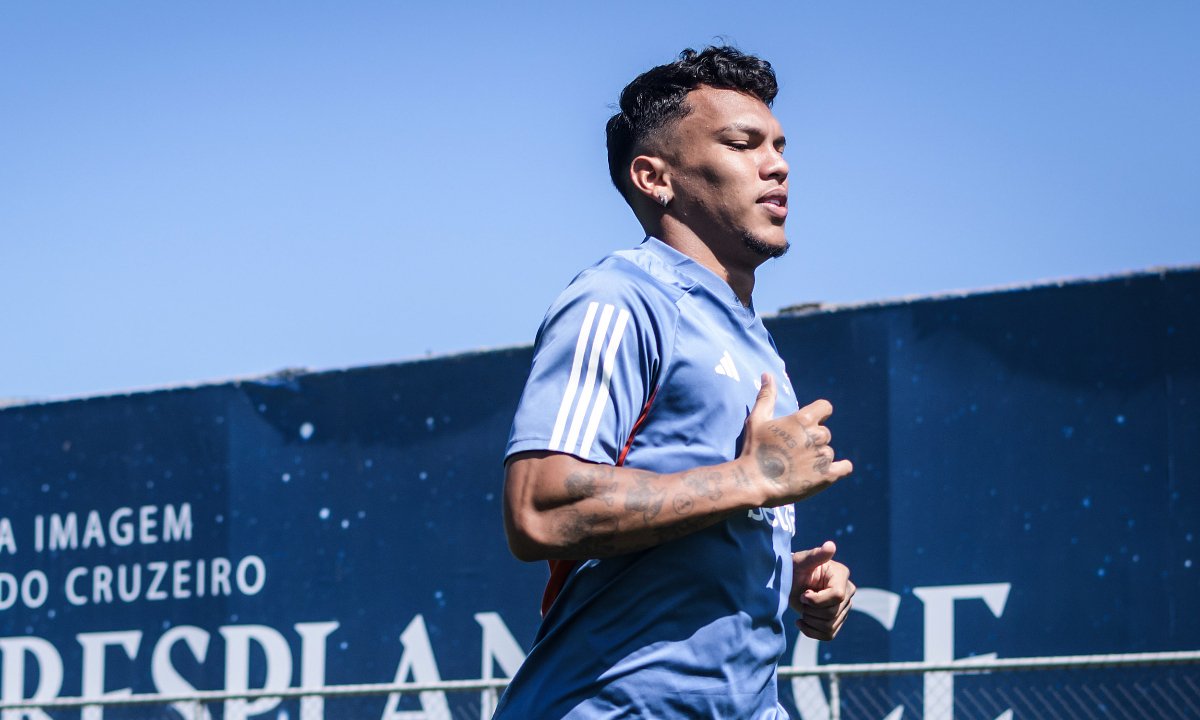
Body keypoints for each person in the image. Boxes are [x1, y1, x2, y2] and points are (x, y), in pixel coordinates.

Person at [496, 46, 855, 719]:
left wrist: (783, 576)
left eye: (778, 146)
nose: (776, 165)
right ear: (653, 177)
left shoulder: (757, 346)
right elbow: (538, 509)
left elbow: (701, 523)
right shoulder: (620, 298)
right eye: (742, 143)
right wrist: (755, 479)